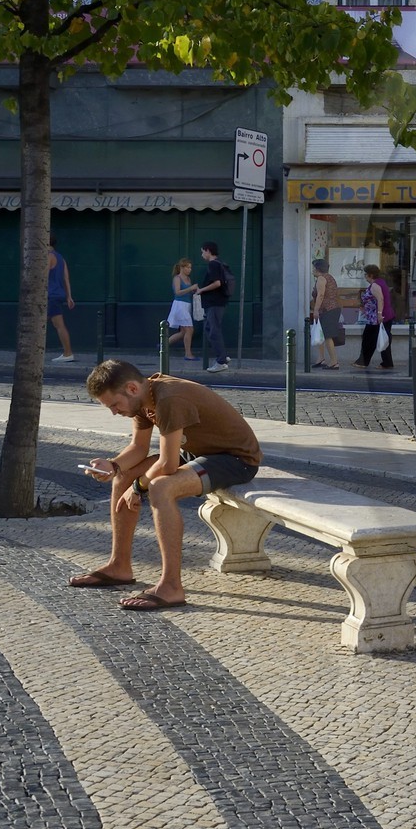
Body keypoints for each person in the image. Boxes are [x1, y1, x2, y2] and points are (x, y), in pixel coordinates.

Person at [71, 359, 261, 610]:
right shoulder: (142, 399)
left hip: (234, 459)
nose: (114, 412)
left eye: (114, 405)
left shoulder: (169, 398)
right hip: (198, 452)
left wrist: (139, 487)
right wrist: (113, 465)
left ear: (131, 389)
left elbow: (168, 465)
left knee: (160, 487)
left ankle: (171, 586)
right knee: (123, 476)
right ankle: (119, 565)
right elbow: (138, 448)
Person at [196, 242, 231, 372]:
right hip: (217, 302)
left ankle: (221, 361)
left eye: (202, 251)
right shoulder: (220, 263)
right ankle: (222, 355)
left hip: (214, 302)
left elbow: (217, 283)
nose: (202, 254)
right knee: (209, 328)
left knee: (213, 330)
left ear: (208, 251)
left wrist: (202, 290)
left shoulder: (213, 265)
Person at [353, 263, 394, 369]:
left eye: (365, 275)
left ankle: (363, 362)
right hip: (381, 316)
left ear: (370, 275)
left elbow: (380, 299)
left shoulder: (375, 285)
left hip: (377, 318)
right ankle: (387, 363)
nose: (365, 277)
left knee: (368, 339)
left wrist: (379, 314)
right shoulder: (381, 282)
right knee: (382, 339)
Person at [309, 258, 345, 370]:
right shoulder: (329, 277)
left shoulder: (321, 278)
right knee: (322, 334)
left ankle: (334, 362)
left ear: (318, 268)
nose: (312, 270)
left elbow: (320, 295)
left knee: (327, 335)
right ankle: (321, 358)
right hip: (331, 308)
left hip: (328, 309)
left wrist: (315, 310)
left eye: (314, 267)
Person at [47, 235, 75, 363]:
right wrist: (69, 296)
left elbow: (42, 275)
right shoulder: (60, 258)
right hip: (59, 294)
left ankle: (68, 353)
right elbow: (66, 279)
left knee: (59, 325)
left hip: (50, 295)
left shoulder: (48, 256)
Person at [167, 258, 198, 361]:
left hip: (187, 305)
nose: (189, 270)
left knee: (183, 332)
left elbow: (187, 292)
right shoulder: (177, 278)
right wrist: (190, 288)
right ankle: (188, 354)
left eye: (190, 267)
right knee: (189, 329)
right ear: (182, 267)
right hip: (180, 305)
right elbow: (178, 292)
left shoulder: (188, 279)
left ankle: (163, 344)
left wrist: (193, 291)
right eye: (187, 267)